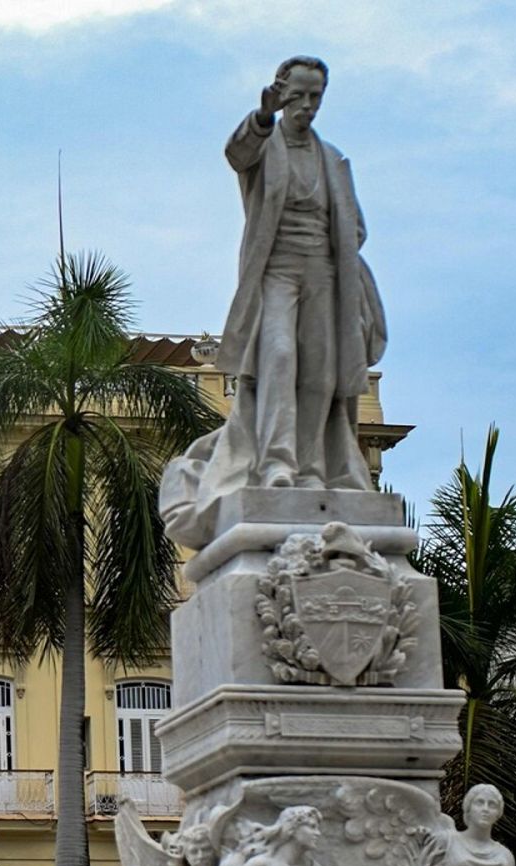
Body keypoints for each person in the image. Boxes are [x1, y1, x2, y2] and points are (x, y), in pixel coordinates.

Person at [161, 56, 388, 548]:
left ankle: (310, 470)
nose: (307, 105)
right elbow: (237, 153)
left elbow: (356, 227)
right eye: (298, 95)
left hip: (325, 274)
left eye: (316, 97)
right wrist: (262, 118)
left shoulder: (334, 160)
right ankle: (278, 464)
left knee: (321, 372)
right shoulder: (266, 145)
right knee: (280, 357)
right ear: (281, 93)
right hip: (277, 271)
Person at [221, 805, 332, 866]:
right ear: (292, 828)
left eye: (317, 828)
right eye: (312, 827)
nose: (318, 833)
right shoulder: (260, 865)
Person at [441, 784, 515, 866]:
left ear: (498, 813)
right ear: (468, 808)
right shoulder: (448, 842)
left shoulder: (505, 856)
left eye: (492, 804)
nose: (485, 809)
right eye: (480, 802)